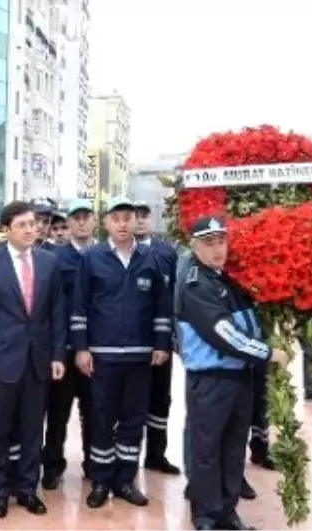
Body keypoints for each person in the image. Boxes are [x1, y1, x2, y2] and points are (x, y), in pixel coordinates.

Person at [177, 215, 287, 531]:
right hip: (211, 379)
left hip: (239, 377)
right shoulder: (197, 284)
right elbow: (224, 334)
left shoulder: (226, 279)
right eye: (209, 243)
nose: (217, 249)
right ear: (194, 246)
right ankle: (205, 517)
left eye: (221, 242)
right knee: (206, 450)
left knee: (233, 448)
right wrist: (267, 353)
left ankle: (227, 512)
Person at [73, 196, 173, 508]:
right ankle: (101, 480)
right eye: (116, 219)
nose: (123, 224)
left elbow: (162, 306)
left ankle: (125, 480)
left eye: (127, 218)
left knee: (133, 419)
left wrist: (161, 344)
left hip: (140, 356)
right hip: (103, 355)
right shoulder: (92, 258)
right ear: (106, 223)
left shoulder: (149, 259)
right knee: (102, 418)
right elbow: (79, 306)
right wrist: (80, 349)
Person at [0, 200, 66, 519]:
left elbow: (57, 314)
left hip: (38, 360)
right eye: (23, 225)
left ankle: (27, 488)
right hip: (1, 361)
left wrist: (57, 354)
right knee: (0, 429)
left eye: (33, 224)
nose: (31, 230)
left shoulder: (49, 263)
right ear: (6, 229)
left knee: (31, 429)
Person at [42, 198, 96, 490]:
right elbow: (51, 308)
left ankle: (93, 463)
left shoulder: (103, 255)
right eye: (75, 217)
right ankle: (52, 465)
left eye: (86, 216)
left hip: (94, 349)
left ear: (94, 220)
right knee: (58, 412)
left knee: (94, 411)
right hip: (63, 349)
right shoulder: (55, 259)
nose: (81, 222)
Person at [133, 200, 183, 476]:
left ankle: (156, 454)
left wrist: (170, 337)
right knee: (130, 400)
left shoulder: (166, 253)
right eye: (134, 216)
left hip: (160, 339)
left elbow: (173, 296)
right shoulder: (120, 253)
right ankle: (126, 455)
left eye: (144, 215)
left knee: (160, 399)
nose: (139, 221)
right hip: (130, 340)